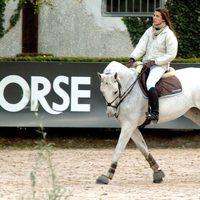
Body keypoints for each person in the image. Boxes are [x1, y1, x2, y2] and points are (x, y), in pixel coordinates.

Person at [127, 7, 178, 122]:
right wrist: (132, 58)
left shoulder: (169, 34)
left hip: (160, 66)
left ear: (163, 19)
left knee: (150, 83)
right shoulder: (149, 31)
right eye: (154, 15)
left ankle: (155, 112)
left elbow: (171, 54)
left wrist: (155, 61)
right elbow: (141, 46)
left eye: (157, 16)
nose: (154, 17)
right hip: (146, 63)